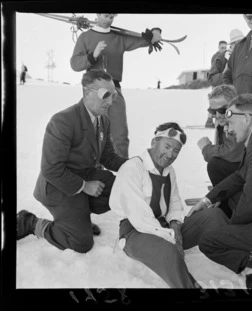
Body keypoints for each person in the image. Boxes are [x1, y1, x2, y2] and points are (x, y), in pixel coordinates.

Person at [17, 70, 128, 253]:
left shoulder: (104, 121)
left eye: (113, 94)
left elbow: (107, 157)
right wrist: (84, 186)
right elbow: (51, 169)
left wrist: (137, 165)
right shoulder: (63, 121)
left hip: (83, 176)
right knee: (81, 243)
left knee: (121, 189)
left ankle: (79, 217)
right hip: (57, 186)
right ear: (86, 93)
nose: (110, 101)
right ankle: (30, 222)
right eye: (105, 95)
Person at [109, 122, 228, 288]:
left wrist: (175, 227)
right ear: (153, 142)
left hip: (163, 227)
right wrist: (172, 240)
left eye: (176, 151)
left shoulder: (169, 170)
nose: (171, 154)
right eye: (167, 146)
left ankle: (238, 262)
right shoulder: (132, 168)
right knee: (169, 251)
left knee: (213, 216)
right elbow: (139, 218)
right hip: (135, 232)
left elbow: (174, 202)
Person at [189, 93, 252, 289]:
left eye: (230, 120)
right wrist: (207, 200)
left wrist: (232, 233)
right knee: (233, 201)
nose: (227, 127)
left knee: (210, 242)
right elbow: (238, 178)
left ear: (245, 118)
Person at [70, 13, 163, 158]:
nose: (108, 20)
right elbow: (75, 64)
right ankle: (95, 171)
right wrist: (93, 55)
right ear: (98, 14)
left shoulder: (119, 37)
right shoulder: (86, 37)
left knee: (120, 135)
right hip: (94, 90)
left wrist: (155, 32)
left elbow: (144, 40)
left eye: (111, 17)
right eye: (106, 16)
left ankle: (121, 171)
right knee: (94, 134)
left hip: (114, 89)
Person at [197, 84, 245, 217]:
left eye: (223, 110)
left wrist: (206, 148)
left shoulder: (239, 121)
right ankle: (224, 201)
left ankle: (228, 208)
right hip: (240, 172)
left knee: (215, 165)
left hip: (251, 174)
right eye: (213, 111)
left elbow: (232, 152)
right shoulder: (224, 123)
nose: (218, 115)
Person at [205, 40, 227, 128]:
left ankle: (211, 120)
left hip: (221, 81)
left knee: (218, 101)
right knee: (214, 101)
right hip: (217, 82)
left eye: (225, 48)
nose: (224, 49)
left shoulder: (225, 56)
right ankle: (209, 120)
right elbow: (215, 70)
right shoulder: (216, 57)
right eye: (222, 48)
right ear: (218, 47)